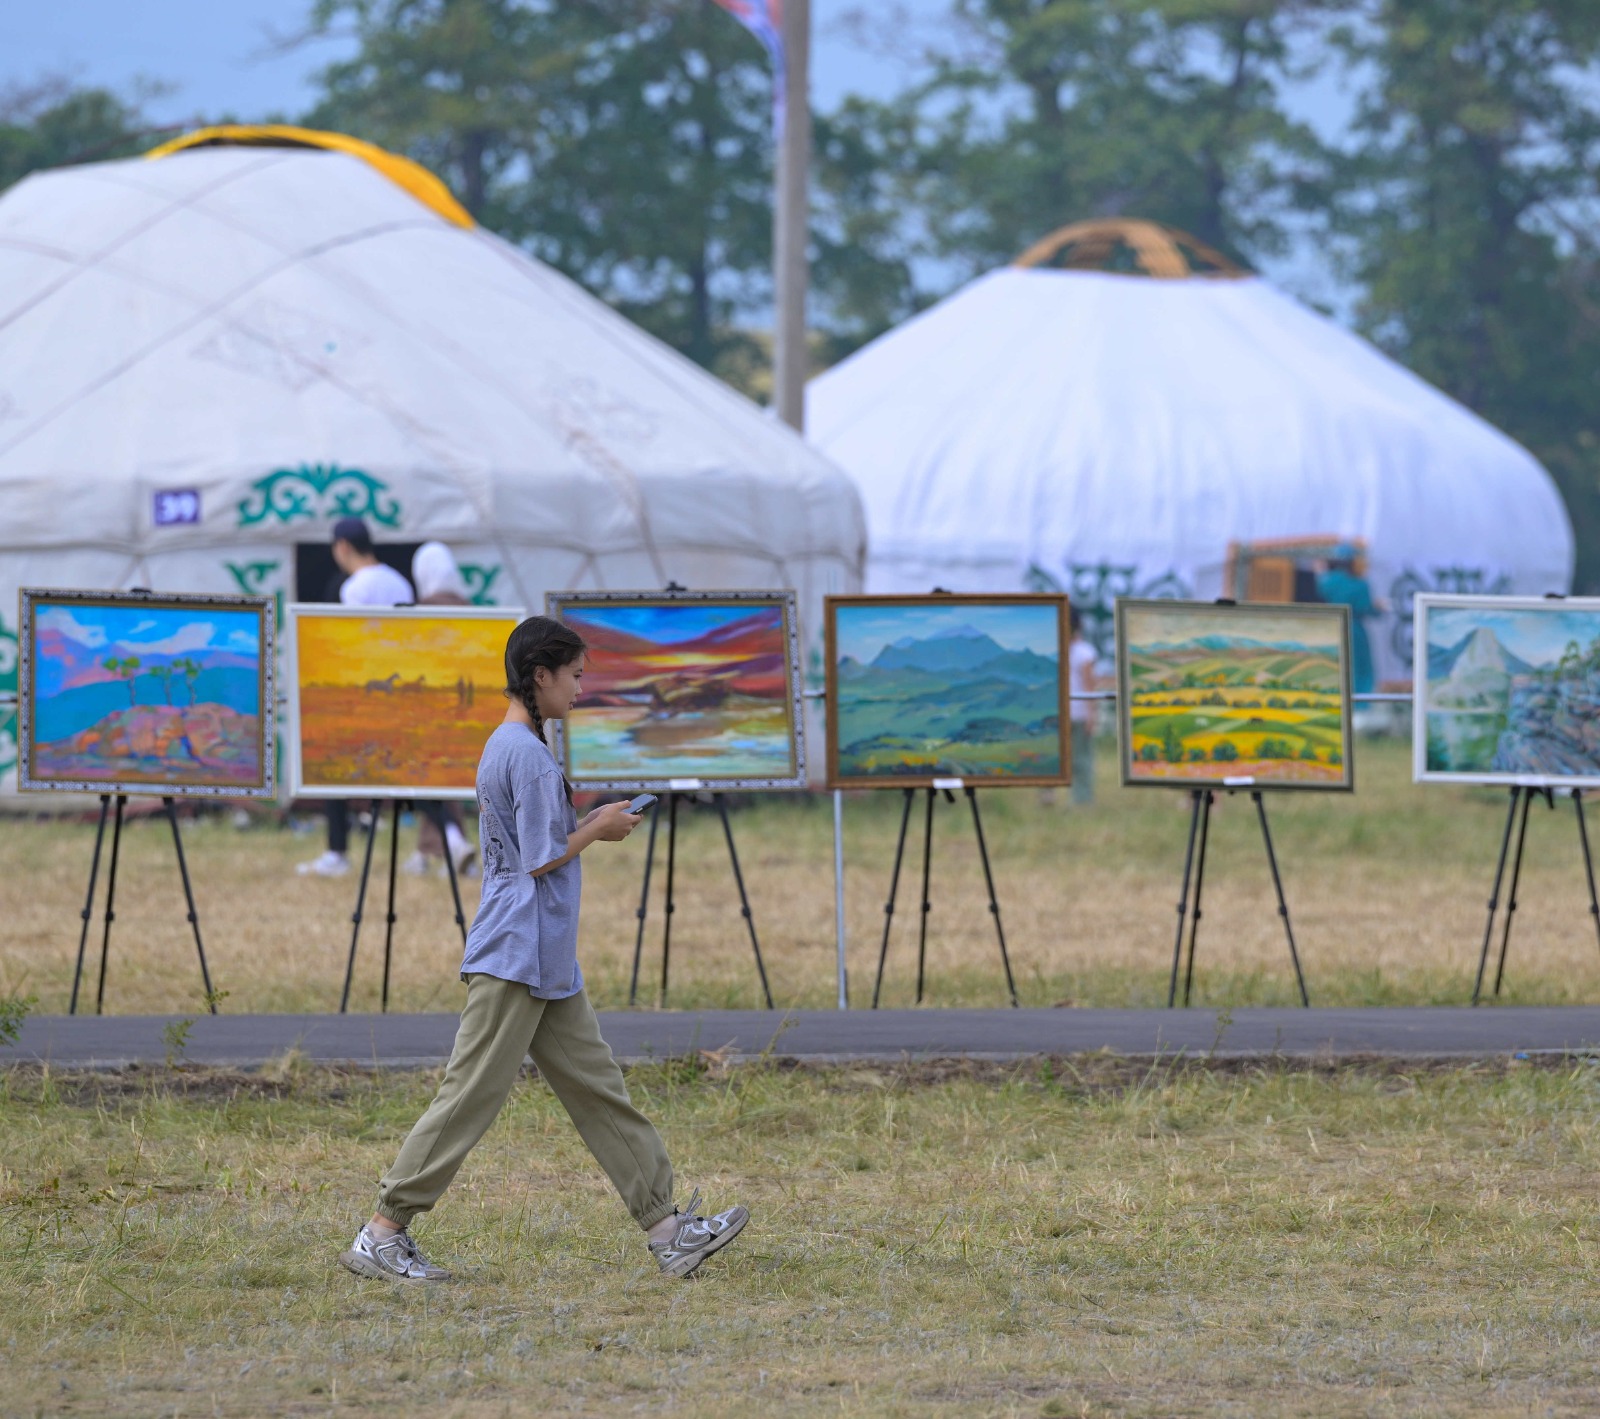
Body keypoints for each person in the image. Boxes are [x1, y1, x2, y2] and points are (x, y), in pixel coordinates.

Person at [338, 615, 749, 1283]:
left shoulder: (514, 743)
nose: (582, 690)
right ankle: (381, 1231)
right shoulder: (525, 752)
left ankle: (669, 1230)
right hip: (515, 954)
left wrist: (589, 821)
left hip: (544, 955)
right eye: (577, 676)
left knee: (599, 1089)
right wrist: (598, 831)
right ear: (541, 675)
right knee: (469, 1093)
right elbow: (537, 859)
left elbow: (538, 843)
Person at [298, 517, 415, 877]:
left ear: (342, 546)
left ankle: (337, 851)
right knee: (412, 766)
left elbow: (348, 644)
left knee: (336, 765)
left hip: (362, 690)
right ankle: (450, 836)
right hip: (401, 690)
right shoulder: (400, 583)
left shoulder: (353, 589)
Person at [404, 541, 477, 879]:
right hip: (465, 710)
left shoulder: (422, 610)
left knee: (419, 779)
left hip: (426, 710)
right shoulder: (472, 610)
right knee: (445, 781)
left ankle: (453, 842)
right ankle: (436, 850)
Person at [1316, 547, 1381, 696]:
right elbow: (1366, 608)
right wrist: (1378, 608)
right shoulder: (1360, 584)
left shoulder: (1327, 581)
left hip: (1333, 628)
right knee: (1359, 667)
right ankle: (1359, 704)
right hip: (1354, 629)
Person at [1068, 607, 1099, 805]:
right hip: (1061, 714)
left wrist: (1091, 715)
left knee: (1080, 759)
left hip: (1078, 714)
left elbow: (1089, 686)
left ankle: (1082, 798)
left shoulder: (1084, 652)